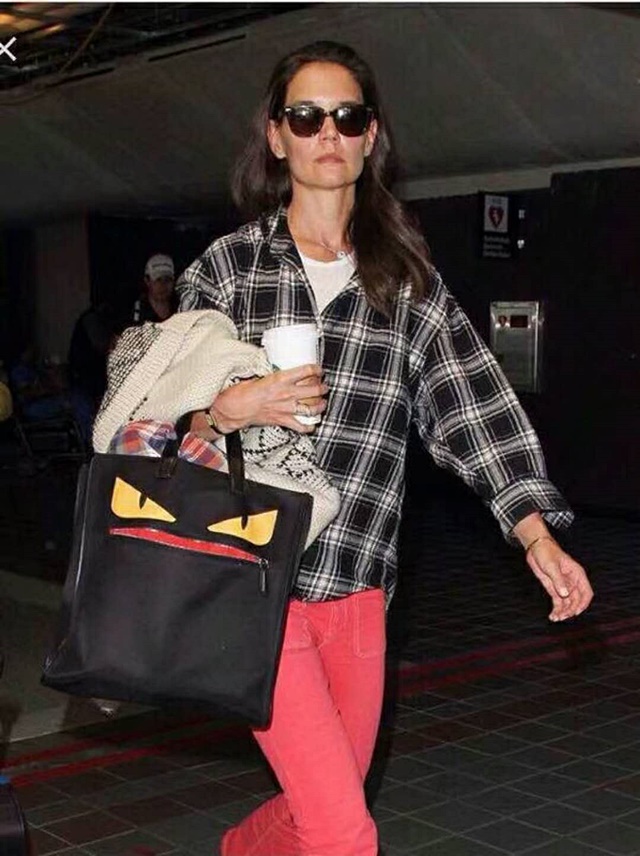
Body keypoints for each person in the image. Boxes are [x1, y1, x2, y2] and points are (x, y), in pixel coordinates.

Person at [176, 41, 593, 856]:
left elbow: (472, 409)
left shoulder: (405, 282)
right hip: (254, 580)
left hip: (360, 585)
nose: (327, 133)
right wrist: (224, 409)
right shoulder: (228, 270)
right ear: (276, 137)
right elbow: (156, 420)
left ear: (370, 138)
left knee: (319, 811)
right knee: (343, 833)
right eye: (306, 117)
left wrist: (536, 534)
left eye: (347, 116)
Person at [131, 253, 176, 325]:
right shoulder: (136, 312)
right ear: (147, 281)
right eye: (158, 280)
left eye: (168, 279)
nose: (163, 285)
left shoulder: (181, 309)